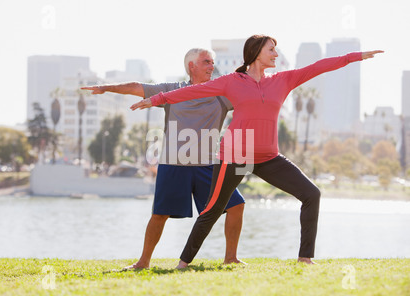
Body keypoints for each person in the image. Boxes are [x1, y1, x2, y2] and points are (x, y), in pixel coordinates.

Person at [131, 34, 384, 267]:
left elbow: (318, 67)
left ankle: (304, 258)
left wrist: (355, 57)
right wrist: (154, 100)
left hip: (268, 156)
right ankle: (183, 263)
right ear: (255, 53)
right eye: (271, 50)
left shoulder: (283, 80)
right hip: (235, 154)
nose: (275, 54)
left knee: (311, 194)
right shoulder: (232, 82)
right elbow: (191, 91)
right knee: (213, 209)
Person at [82, 48, 245, 269]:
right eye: (206, 62)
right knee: (159, 215)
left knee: (236, 205)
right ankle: (143, 262)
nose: (211, 66)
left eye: (212, 62)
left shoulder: (220, 94)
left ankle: (230, 257)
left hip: (207, 167)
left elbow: (250, 97)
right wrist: (105, 88)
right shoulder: (170, 91)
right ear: (192, 66)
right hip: (173, 165)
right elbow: (136, 87)